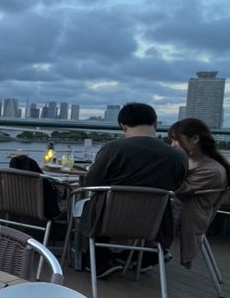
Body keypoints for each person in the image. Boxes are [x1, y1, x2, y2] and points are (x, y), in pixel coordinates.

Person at [78, 102, 187, 276]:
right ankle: (139, 256)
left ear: (123, 126)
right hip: (155, 221)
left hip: (109, 217)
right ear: (155, 123)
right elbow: (177, 186)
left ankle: (95, 261)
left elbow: (91, 183)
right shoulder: (178, 156)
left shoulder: (113, 149)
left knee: (88, 205)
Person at [167, 118, 230, 267]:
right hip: (176, 211)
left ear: (195, 138)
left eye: (176, 140)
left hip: (183, 217)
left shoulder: (212, 170)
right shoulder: (190, 162)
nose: (173, 145)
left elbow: (177, 190)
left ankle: (141, 255)